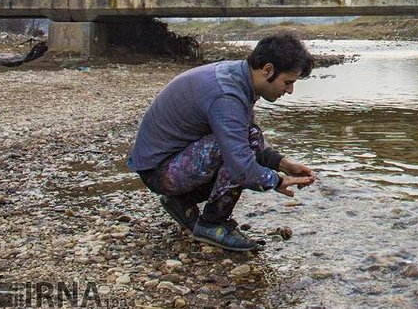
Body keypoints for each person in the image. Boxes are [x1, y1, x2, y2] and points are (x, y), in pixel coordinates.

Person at [127, 33, 317, 252]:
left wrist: (284, 164)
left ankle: (181, 201)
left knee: (248, 136)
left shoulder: (239, 76)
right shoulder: (227, 95)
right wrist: (275, 181)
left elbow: (248, 134)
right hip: (160, 172)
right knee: (234, 152)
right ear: (267, 70)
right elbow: (241, 168)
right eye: (288, 82)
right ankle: (212, 224)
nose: (290, 90)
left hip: (171, 161)